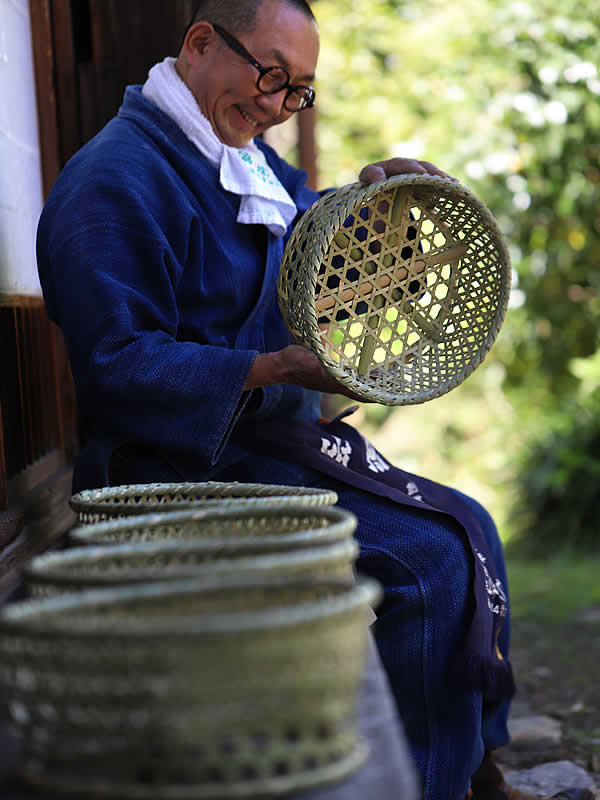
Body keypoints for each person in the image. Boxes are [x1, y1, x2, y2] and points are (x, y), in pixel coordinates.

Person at [35, 3, 590, 800]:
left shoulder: (240, 158)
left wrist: (387, 211)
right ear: (200, 43)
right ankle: (431, 785)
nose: (274, 106)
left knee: (470, 527)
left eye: (297, 91)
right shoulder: (112, 180)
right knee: (431, 561)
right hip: (175, 472)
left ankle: (468, 768)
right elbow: (116, 368)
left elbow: (312, 246)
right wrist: (269, 371)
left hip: (263, 451)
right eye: (268, 75)